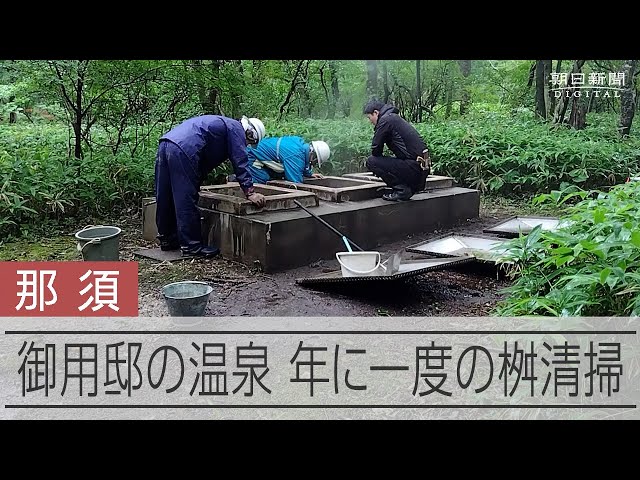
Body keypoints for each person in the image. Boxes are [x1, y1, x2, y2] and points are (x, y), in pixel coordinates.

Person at [154, 115, 267, 258]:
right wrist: (250, 192)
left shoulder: (224, 125)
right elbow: (240, 161)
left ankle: (167, 239)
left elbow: (205, 159)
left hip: (167, 143)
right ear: (250, 133)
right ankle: (192, 246)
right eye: (250, 141)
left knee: (165, 194)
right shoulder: (236, 129)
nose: (247, 144)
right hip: (186, 149)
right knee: (185, 198)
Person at [363, 100, 431, 201]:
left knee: (372, 161)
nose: (370, 122)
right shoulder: (393, 118)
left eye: (370, 118)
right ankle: (407, 189)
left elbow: (376, 149)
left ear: (376, 113)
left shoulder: (385, 120)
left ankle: (401, 190)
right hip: (421, 170)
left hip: (414, 169)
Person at [239, 136, 331, 184]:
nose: (313, 164)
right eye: (315, 161)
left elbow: (303, 164)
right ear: (313, 155)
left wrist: (309, 174)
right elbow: (295, 183)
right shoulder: (295, 156)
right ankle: (237, 180)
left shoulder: (300, 147)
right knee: (263, 179)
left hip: (261, 155)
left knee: (277, 175)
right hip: (252, 155)